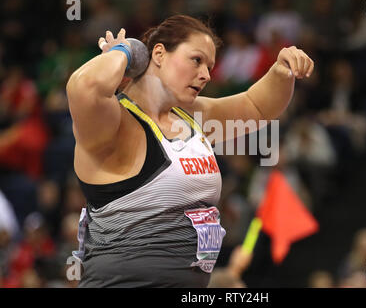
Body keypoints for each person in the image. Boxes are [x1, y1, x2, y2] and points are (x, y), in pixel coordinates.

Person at [66, 14, 314, 287]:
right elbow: (86, 86)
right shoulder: (115, 123)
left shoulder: (191, 117)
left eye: (210, 66)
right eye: (196, 60)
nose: (206, 75)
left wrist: (282, 69)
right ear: (159, 53)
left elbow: (256, 107)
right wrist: (129, 50)